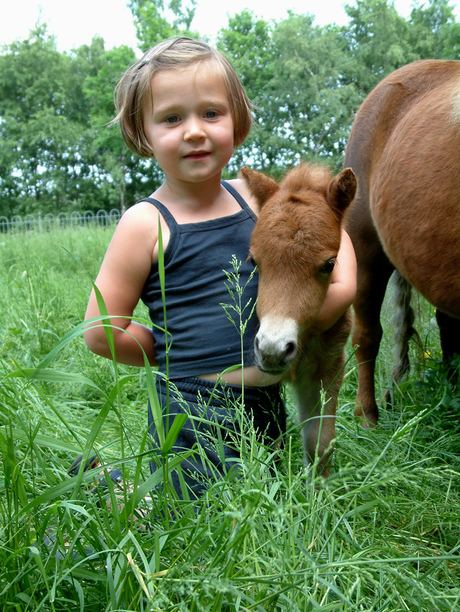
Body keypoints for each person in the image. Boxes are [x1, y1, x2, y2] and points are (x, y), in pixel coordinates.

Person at [83, 37, 357, 500]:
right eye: (171, 118)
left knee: (265, 503)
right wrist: (171, 353)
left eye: (211, 113)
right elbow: (100, 330)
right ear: (142, 132)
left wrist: (342, 290)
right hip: (194, 408)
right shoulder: (144, 223)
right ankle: (108, 489)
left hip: (265, 406)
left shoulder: (256, 198)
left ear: (238, 121)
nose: (194, 131)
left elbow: (329, 231)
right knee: (191, 515)